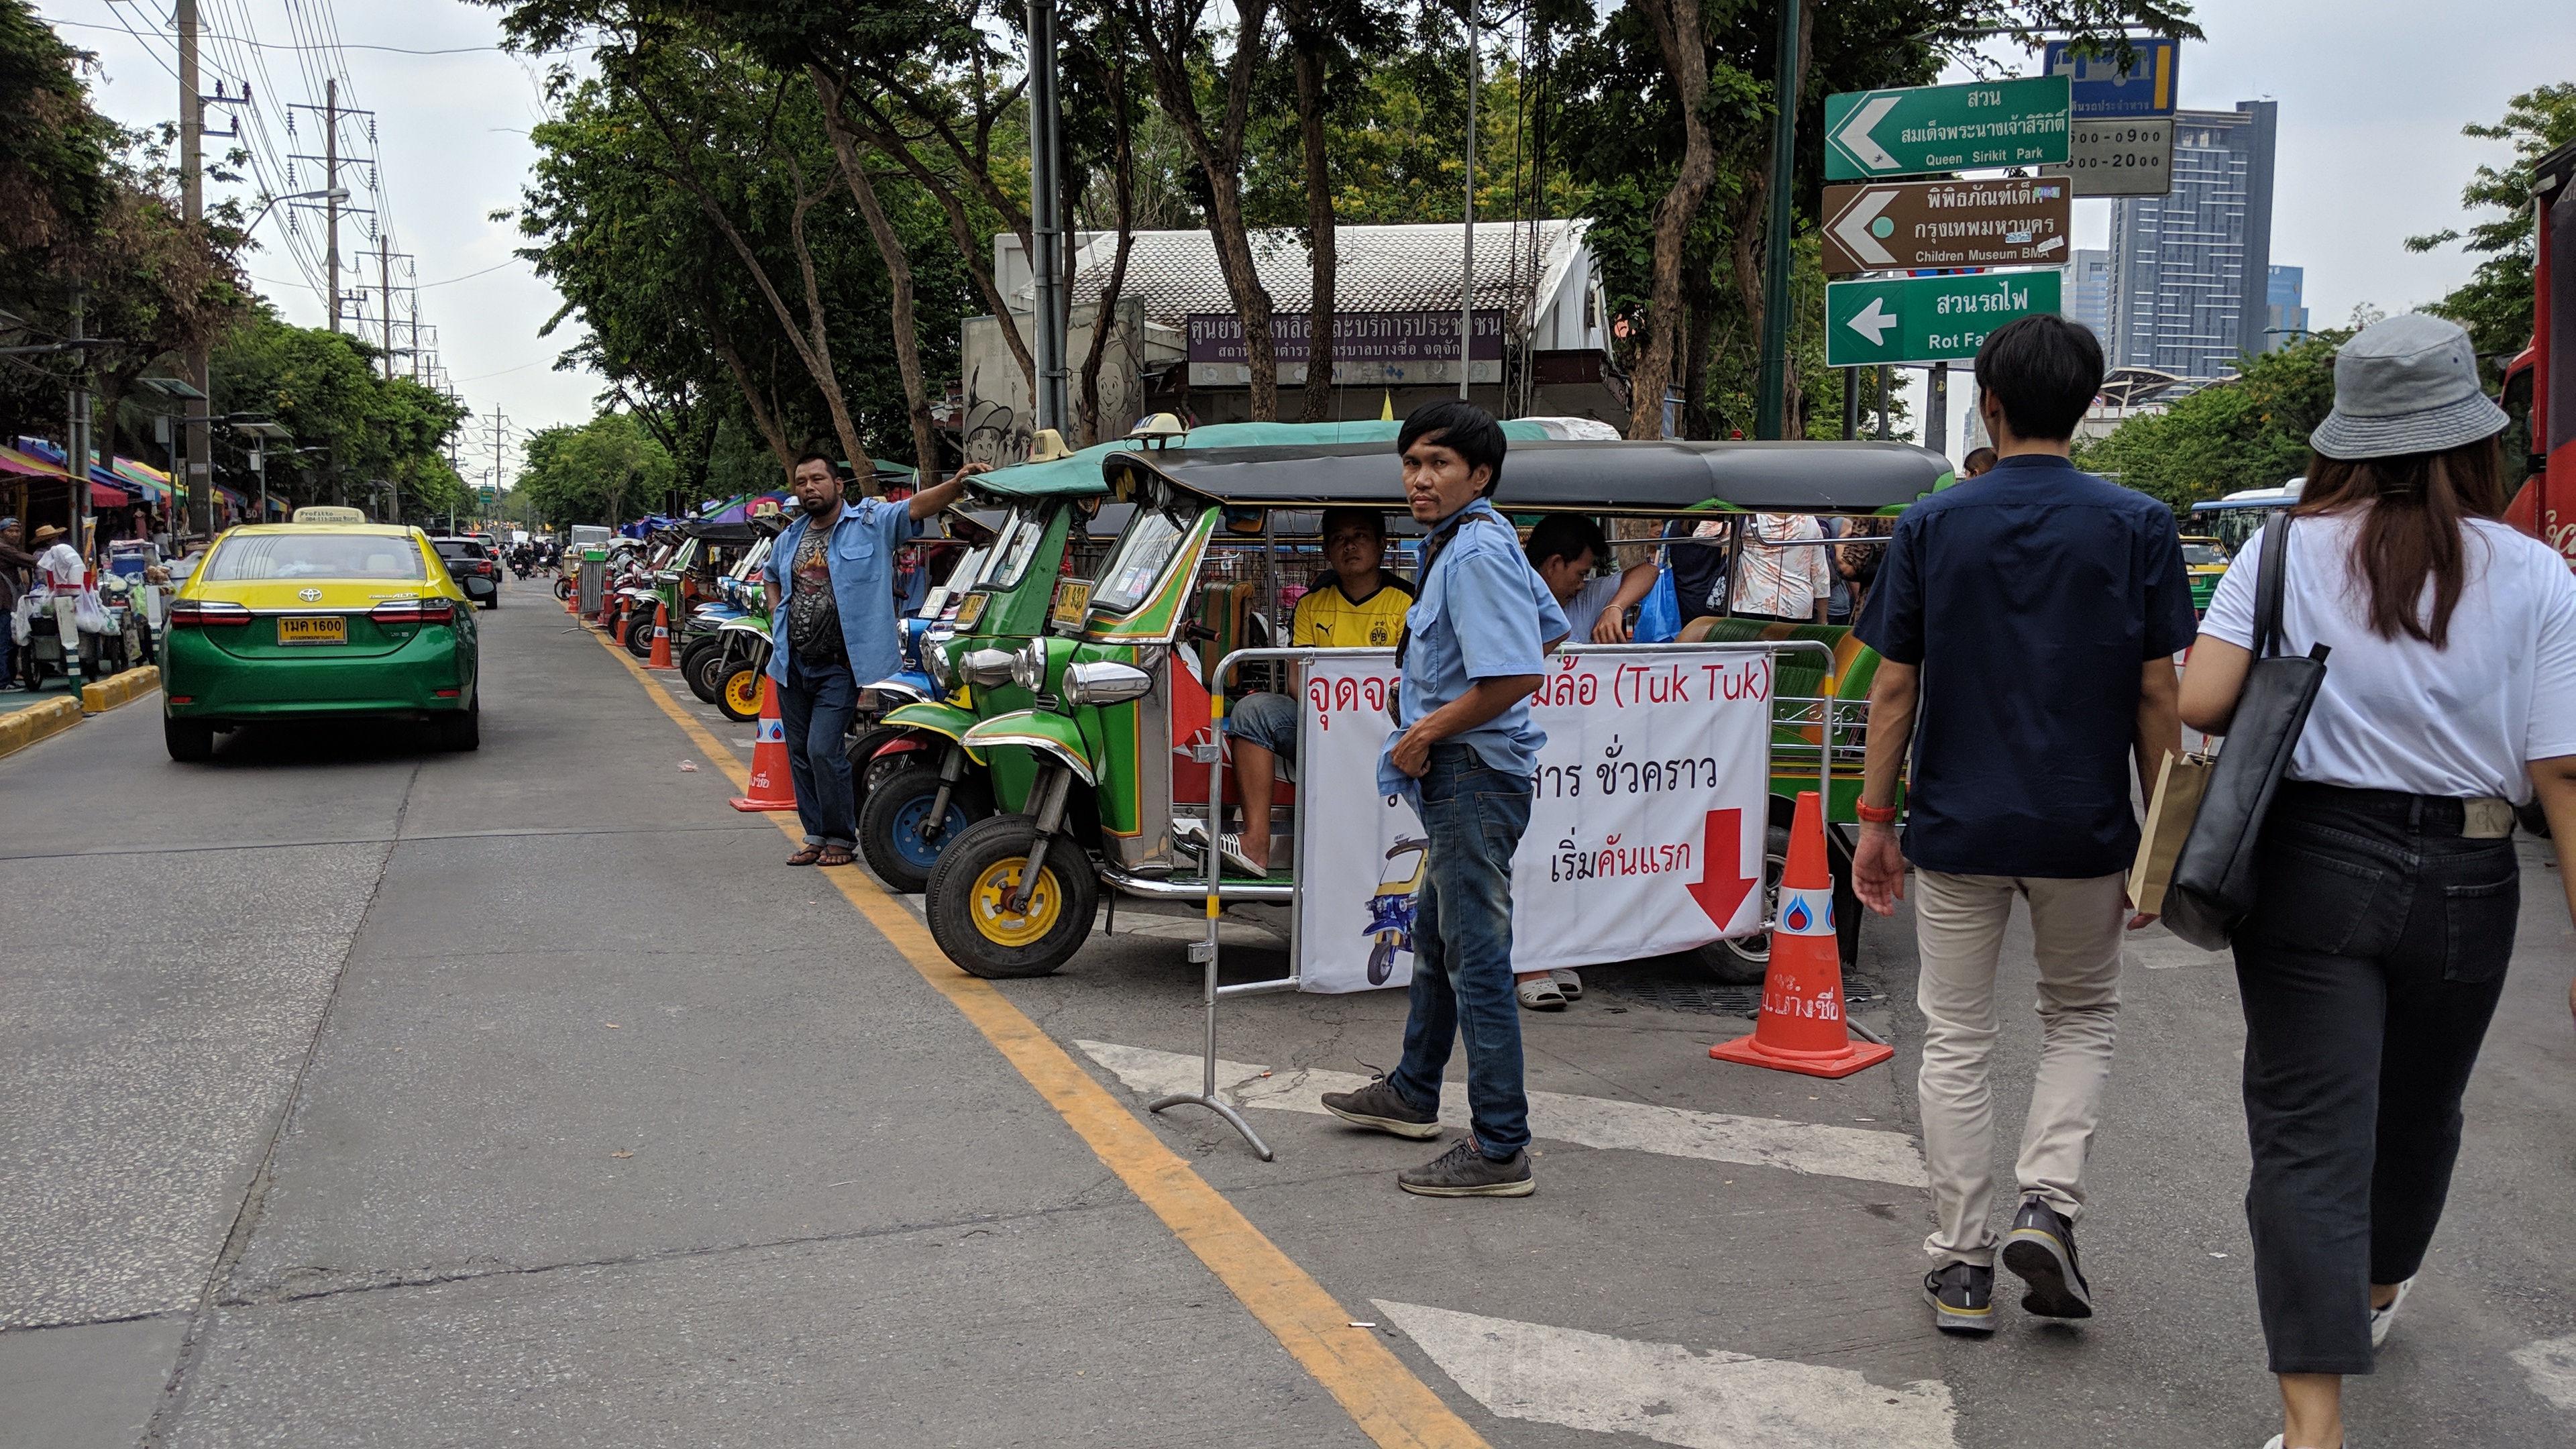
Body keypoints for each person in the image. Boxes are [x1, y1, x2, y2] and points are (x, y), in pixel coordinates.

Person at [2175, 313, 2576, 1449]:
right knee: (2419, 1112)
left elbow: (2202, 704)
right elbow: (2563, 770)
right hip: (2472, 875)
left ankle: (2314, 1429)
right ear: (2472, 437)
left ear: (2348, 435)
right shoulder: (2540, 574)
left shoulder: (2285, 549)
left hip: (2311, 863)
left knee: (2308, 1136)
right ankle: (2380, 1288)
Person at [1849, 313, 2193, 1336]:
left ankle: (1961, 1265)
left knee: (1956, 1035)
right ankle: (2048, 1202)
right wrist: (2157, 848)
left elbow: (1895, 688)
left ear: (1989, 405)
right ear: (2086, 407)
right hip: (2083, 831)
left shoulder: (1932, 525)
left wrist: (1876, 819)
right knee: (2079, 1018)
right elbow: (2158, 701)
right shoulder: (2138, 522)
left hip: (1957, 827)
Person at [1318, 400, 1565, 1197]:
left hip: (1468, 774)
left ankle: (1500, 1148)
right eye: (1412, 463)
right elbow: (1547, 628)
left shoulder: (1473, 553)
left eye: (1438, 465)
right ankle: (1413, 1091)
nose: (1419, 479)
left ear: (1480, 475)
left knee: (1478, 962)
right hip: (1465, 774)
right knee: (1437, 938)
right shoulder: (1470, 539)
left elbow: (1524, 669)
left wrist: (1427, 731)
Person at [763, 452, 987, 867]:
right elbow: (771, 576)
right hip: (792, 662)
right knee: (799, 752)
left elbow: (916, 507)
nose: (808, 488)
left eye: (817, 479)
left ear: (838, 486)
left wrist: (956, 486)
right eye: (800, 482)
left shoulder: (870, 524)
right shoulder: (790, 537)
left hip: (839, 664)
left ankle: (841, 837)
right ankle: (815, 834)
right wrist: (779, 616)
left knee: (822, 749)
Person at [1201, 507, 1412, 876]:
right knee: (1253, 712)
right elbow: (1299, 682)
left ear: (1381, 545)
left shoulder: (1407, 604)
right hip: (1323, 724)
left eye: (1360, 536)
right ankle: (1255, 845)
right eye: (1338, 540)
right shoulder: (1311, 605)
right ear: (1327, 551)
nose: (1349, 546)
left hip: (1391, 729)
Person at [1510, 512, 1657, 1010]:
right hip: (1520, 753)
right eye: (1580, 572)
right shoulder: (1511, 594)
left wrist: (1614, 607)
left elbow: (1650, 572)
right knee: (1525, 855)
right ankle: (1528, 959)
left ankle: (1557, 948)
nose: (1584, 583)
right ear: (1553, 564)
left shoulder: (1585, 599)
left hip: (1578, 761)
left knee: (1566, 857)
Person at [1729, 512, 1831, 623]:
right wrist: (1822, 620)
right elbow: (1820, 573)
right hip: (1798, 606)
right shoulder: (1810, 521)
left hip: (1753, 603)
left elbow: (1711, 535)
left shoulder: (1750, 519)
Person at [0, 517, 32, 691]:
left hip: (10, 603)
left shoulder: (10, 549)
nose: (14, 534)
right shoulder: (3, 548)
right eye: (10, 531)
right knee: (3, 643)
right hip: (3, 604)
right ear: (2, 534)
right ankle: (3, 681)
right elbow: (22, 559)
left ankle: (9, 678)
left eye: (17, 531)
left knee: (10, 644)